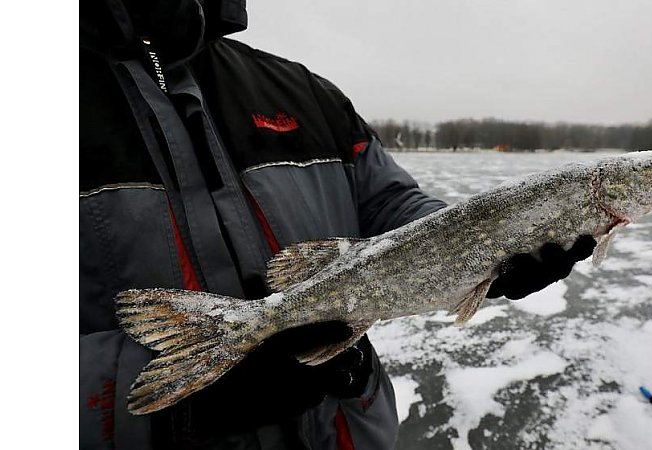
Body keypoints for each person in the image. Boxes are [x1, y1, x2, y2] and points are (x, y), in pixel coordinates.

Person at [80, 1, 596, 448]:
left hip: (340, 429)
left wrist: (480, 247)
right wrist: (144, 396)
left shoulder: (304, 91)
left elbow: (391, 205)